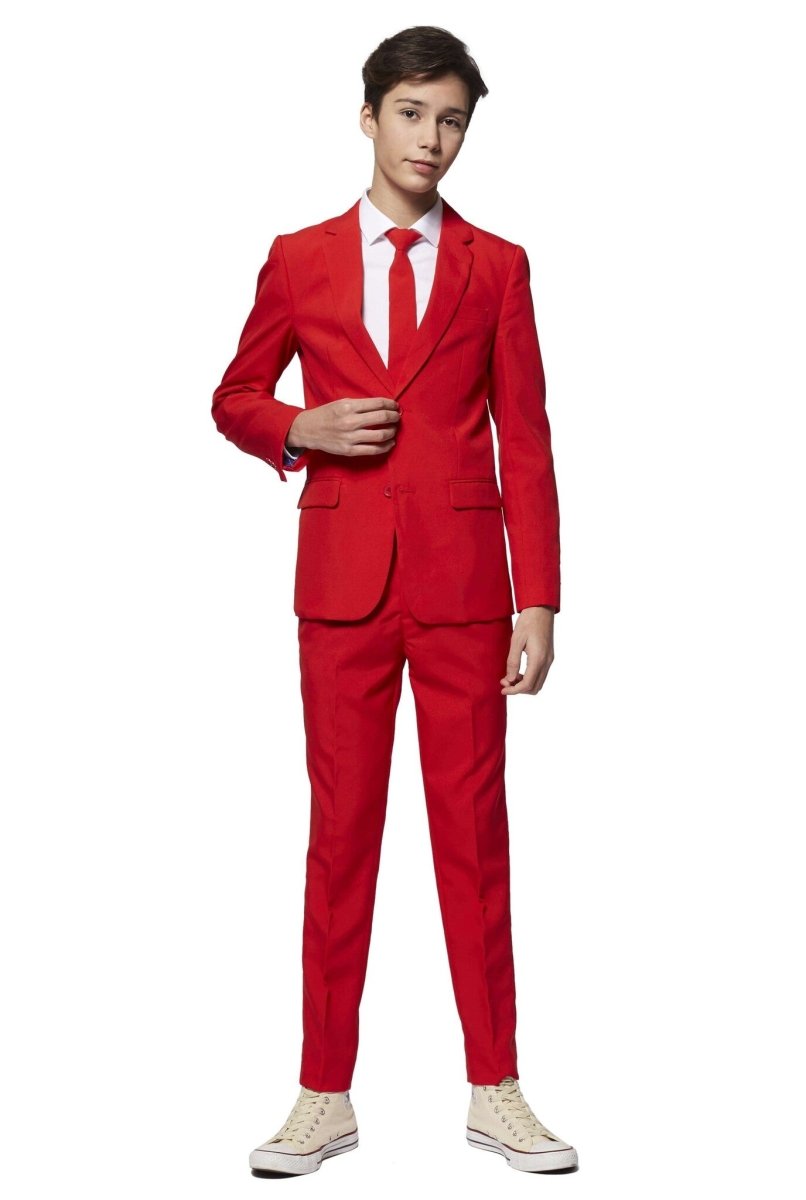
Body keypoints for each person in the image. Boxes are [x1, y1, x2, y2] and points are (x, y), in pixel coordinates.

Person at [211, 24, 577, 1177]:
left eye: (451, 119)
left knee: (475, 838)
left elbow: (525, 437)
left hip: (467, 591)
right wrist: (298, 427)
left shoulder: (497, 266)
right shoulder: (298, 258)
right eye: (412, 113)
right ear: (367, 117)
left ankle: (495, 1088)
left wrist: (538, 599)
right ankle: (323, 1095)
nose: (431, 139)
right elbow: (233, 395)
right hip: (341, 588)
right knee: (340, 840)